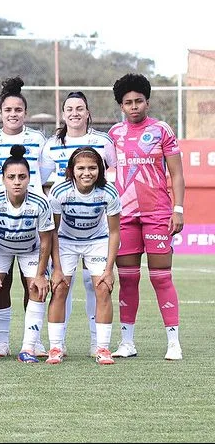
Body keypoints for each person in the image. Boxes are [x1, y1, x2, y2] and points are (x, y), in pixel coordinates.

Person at [105, 73, 185, 360]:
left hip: (157, 213)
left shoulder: (162, 130)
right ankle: (127, 342)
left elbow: (176, 173)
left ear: (147, 102)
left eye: (139, 101)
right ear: (121, 106)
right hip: (125, 215)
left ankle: (173, 342)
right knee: (127, 279)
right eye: (128, 102)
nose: (134, 106)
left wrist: (178, 209)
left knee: (161, 277)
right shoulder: (114, 135)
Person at [0, 76, 51, 357]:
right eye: (8, 110)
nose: (13, 114)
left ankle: (33, 341)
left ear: (25, 113)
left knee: (31, 283)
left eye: (18, 110)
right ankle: (1, 342)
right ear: (0, 114)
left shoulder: (37, 139)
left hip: (30, 222)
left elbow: (43, 175)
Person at [41, 91, 113, 356]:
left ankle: (99, 344)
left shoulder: (102, 141)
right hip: (65, 226)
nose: (74, 113)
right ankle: (58, 345)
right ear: (63, 113)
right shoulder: (51, 145)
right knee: (61, 285)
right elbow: (40, 179)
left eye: (79, 108)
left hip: (96, 224)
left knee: (97, 285)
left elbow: (113, 172)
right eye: (69, 108)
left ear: (87, 111)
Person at [47, 147, 121, 365]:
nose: (86, 173)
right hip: (66, 241)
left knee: (103, 288)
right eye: (81, 168)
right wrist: (57, 268)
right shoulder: (60, 192)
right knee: (60, 288)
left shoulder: (109, 192)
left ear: (100, 170)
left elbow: (115, 231)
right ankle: (56, 347)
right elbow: (52, 230)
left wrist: (109, 270)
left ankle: (103, 348)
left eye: (92, 168)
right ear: (72, 170)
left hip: (96, 241)